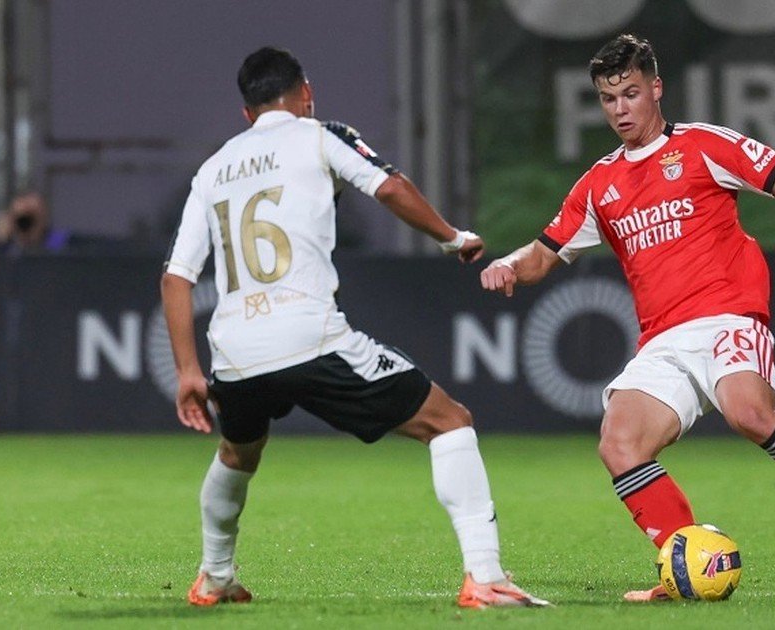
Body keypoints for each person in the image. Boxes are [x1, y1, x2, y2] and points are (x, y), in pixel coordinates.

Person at [479, 34, 775, 601]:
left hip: (728, 315)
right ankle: (680, 564)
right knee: (619, 444)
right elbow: (544, 252)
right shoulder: (600, 184)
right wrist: (509, 264)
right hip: (663, 339)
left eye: (630, 94)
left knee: (749, 413)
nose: (620, 109)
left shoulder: (704, 144)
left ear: (656, 89)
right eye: (608, 99)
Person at [161, 46, 548, 609]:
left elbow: (176, 277)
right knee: (450, 422)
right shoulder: (321, 134)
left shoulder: (213, 168)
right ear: (306, 93)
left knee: (238, 453)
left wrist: (188, 371)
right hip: (309, 337)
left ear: (247, 113)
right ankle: (485, 577)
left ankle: (215, 577)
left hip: (235, 351)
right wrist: (453, 237)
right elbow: (388, 187)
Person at [0, 190, 71, 254]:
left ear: (44, 217)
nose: (26, 223)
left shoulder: (60, 242)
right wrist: (1, 242)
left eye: (31, 216)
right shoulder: (8, 249)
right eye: (22, 218)